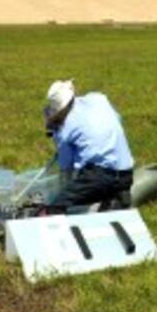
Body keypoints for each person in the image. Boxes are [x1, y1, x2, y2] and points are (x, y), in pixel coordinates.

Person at [43, 80, 134, 213]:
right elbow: (118, 119)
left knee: (57, 206)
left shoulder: (65, 129)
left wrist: (57, 134)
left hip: (100, 177)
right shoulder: (99, 99)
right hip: (127, 174)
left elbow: (65, 169)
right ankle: (115, 199)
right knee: (91, 188)